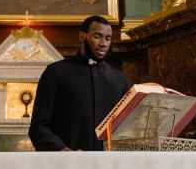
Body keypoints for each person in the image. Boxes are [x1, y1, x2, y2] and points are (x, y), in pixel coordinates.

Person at [29, 15, 132, 151]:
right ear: (82, 36)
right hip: (66, 164)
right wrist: (62, 150)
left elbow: (128, 127)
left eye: (108, 38)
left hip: (107, 165)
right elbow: (38, 127)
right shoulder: (56, 72)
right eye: (97, 36)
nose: (103, 43)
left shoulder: (119, 79)